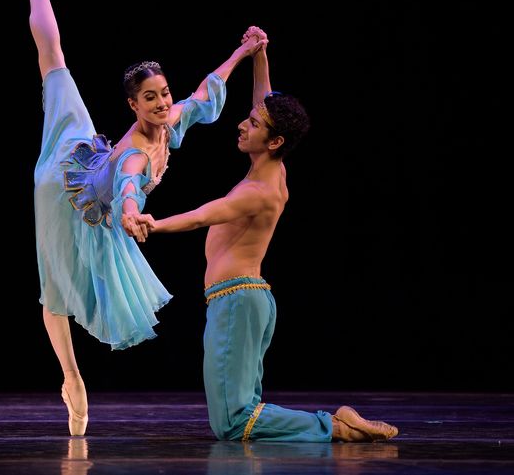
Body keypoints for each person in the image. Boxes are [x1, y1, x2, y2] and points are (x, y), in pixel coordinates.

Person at [15, 0, 266, 436]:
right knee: (54, 289)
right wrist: (130, 213)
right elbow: (129, 183)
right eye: (150, 98)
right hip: (67, 195)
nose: (162, 103)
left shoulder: (170, 120)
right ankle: (72, 379)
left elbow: (205, 93)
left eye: (164, 93)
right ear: (133, 105)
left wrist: (243, 52)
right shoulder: (135, 152)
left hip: (82, 154)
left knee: (55, 61)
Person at [133, 26, 399, 442]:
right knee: (242, 413)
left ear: (274, 141)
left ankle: (333, 425)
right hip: (244, 300)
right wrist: (259, 54)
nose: (242, 124)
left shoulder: (258, 192)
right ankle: (333, 426)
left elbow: (204, 215)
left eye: (253, 124)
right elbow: (265, 100)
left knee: (233, 422)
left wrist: (155, 223)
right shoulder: (274, 166)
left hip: (237, 301)